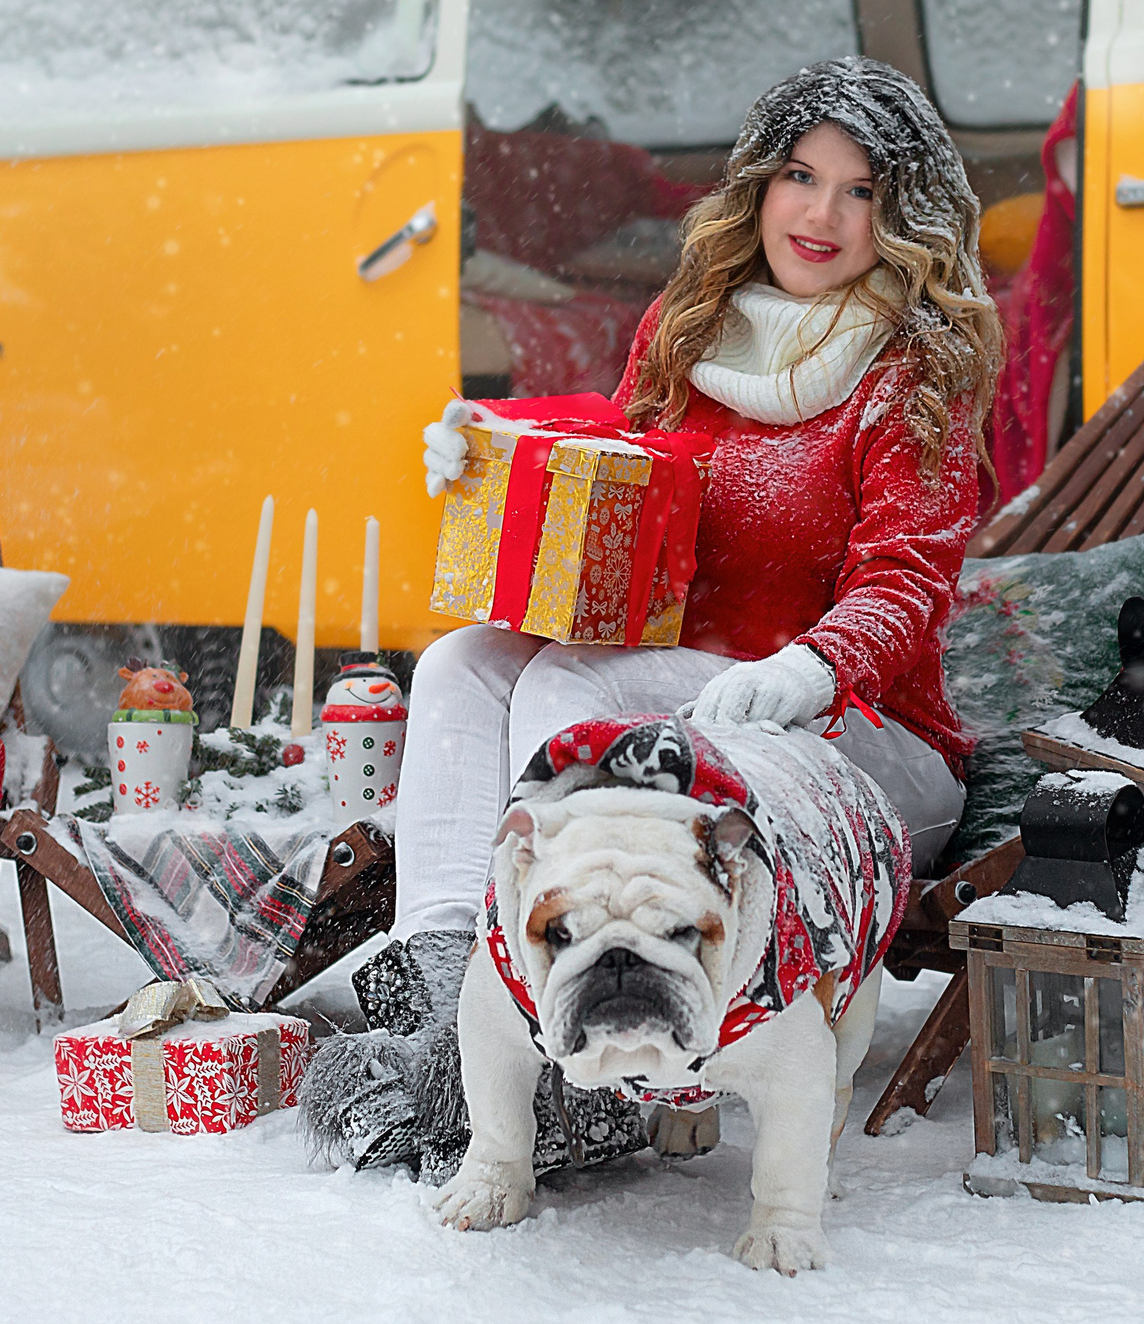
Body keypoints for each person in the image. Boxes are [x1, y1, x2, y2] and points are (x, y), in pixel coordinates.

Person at [300, 57, 1004, 1174]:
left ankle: (572, 961)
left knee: (568, 686)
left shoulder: (913, 371)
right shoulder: (694, 327)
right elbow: (630, 453)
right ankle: (448, 984)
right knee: (463, 666)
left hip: (861, 739)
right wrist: (499, 436)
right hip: (687, 699)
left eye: (859, 190)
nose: (819, 214)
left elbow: (905, 583)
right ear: (758, 185)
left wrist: (812, 667)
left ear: (901, 213)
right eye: (799, 176)